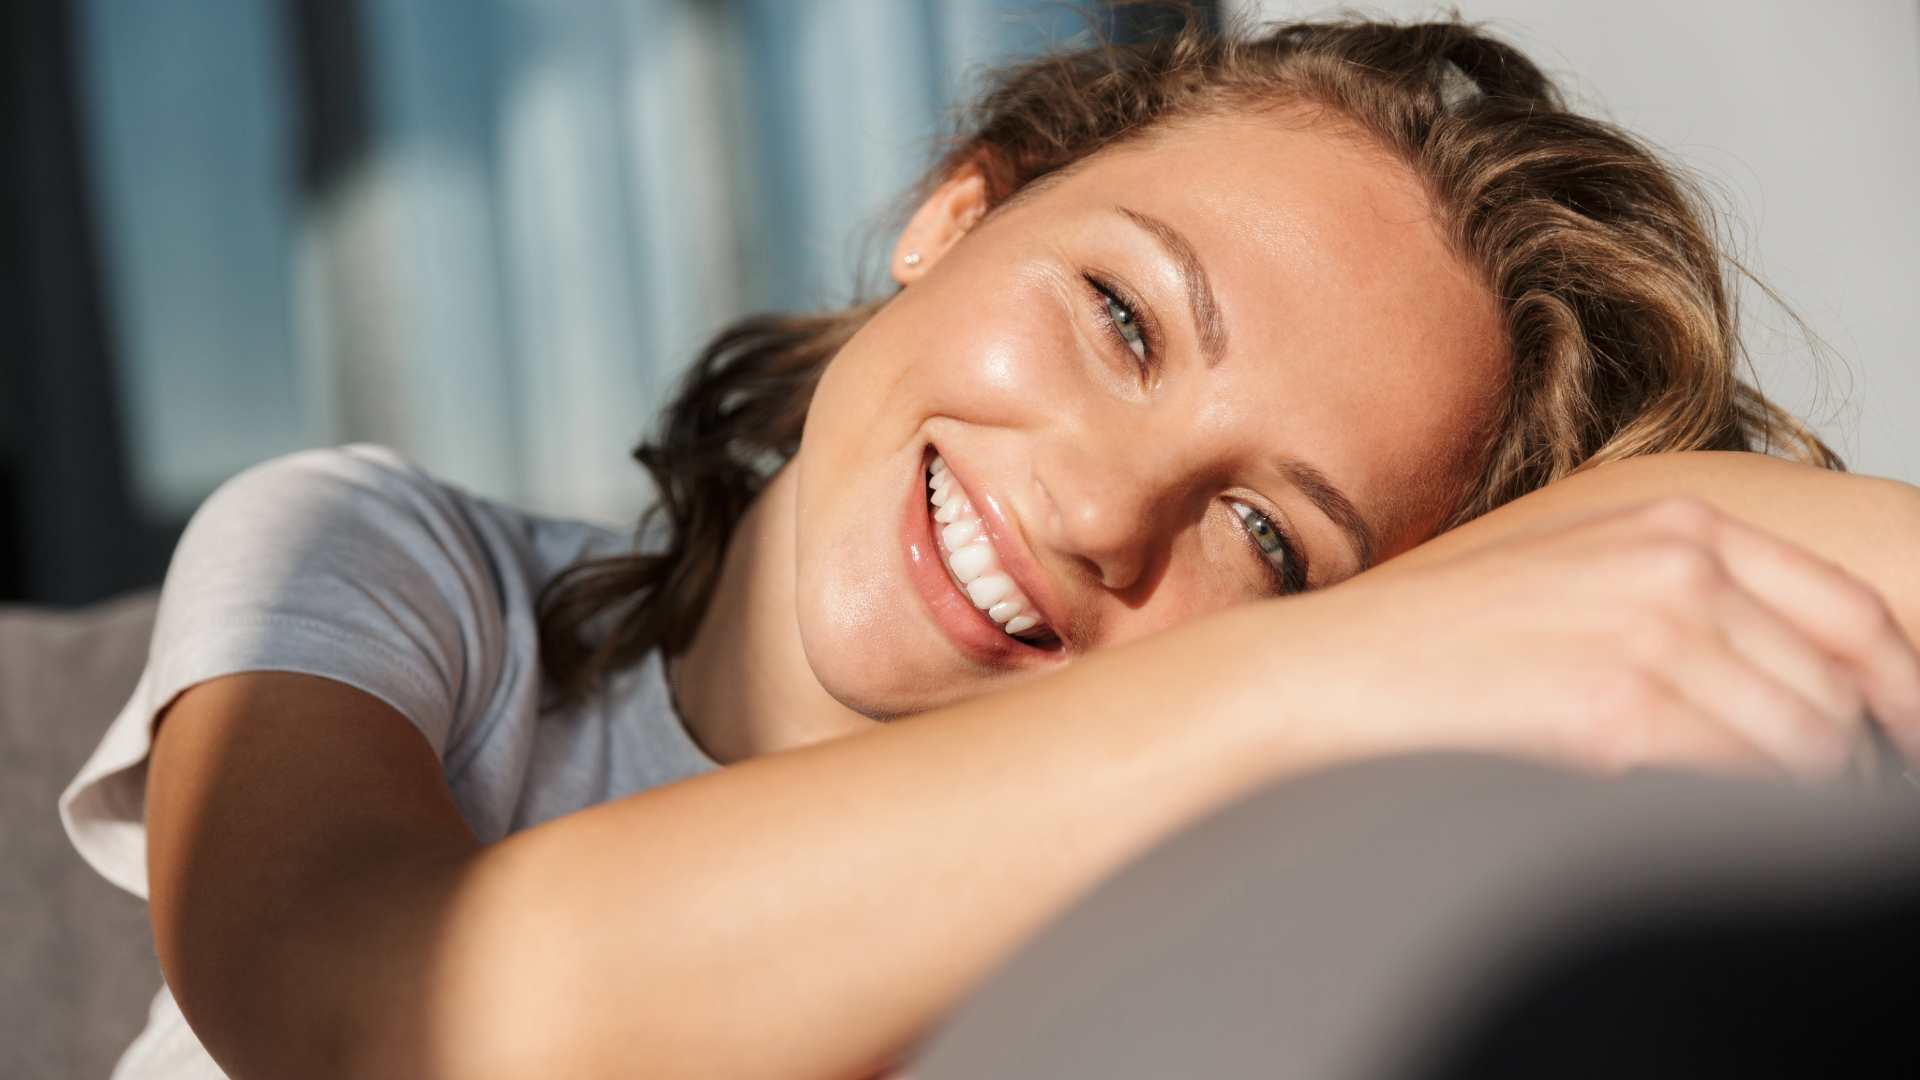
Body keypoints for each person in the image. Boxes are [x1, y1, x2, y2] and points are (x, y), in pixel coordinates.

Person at [59, 14, 1920, 1080]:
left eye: (1268, 535)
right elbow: (372, 999)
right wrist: (1345, 652)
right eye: (1122, 317)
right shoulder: (399, 565)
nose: (1105, 514)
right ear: (958, 213)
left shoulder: (1141, 924)